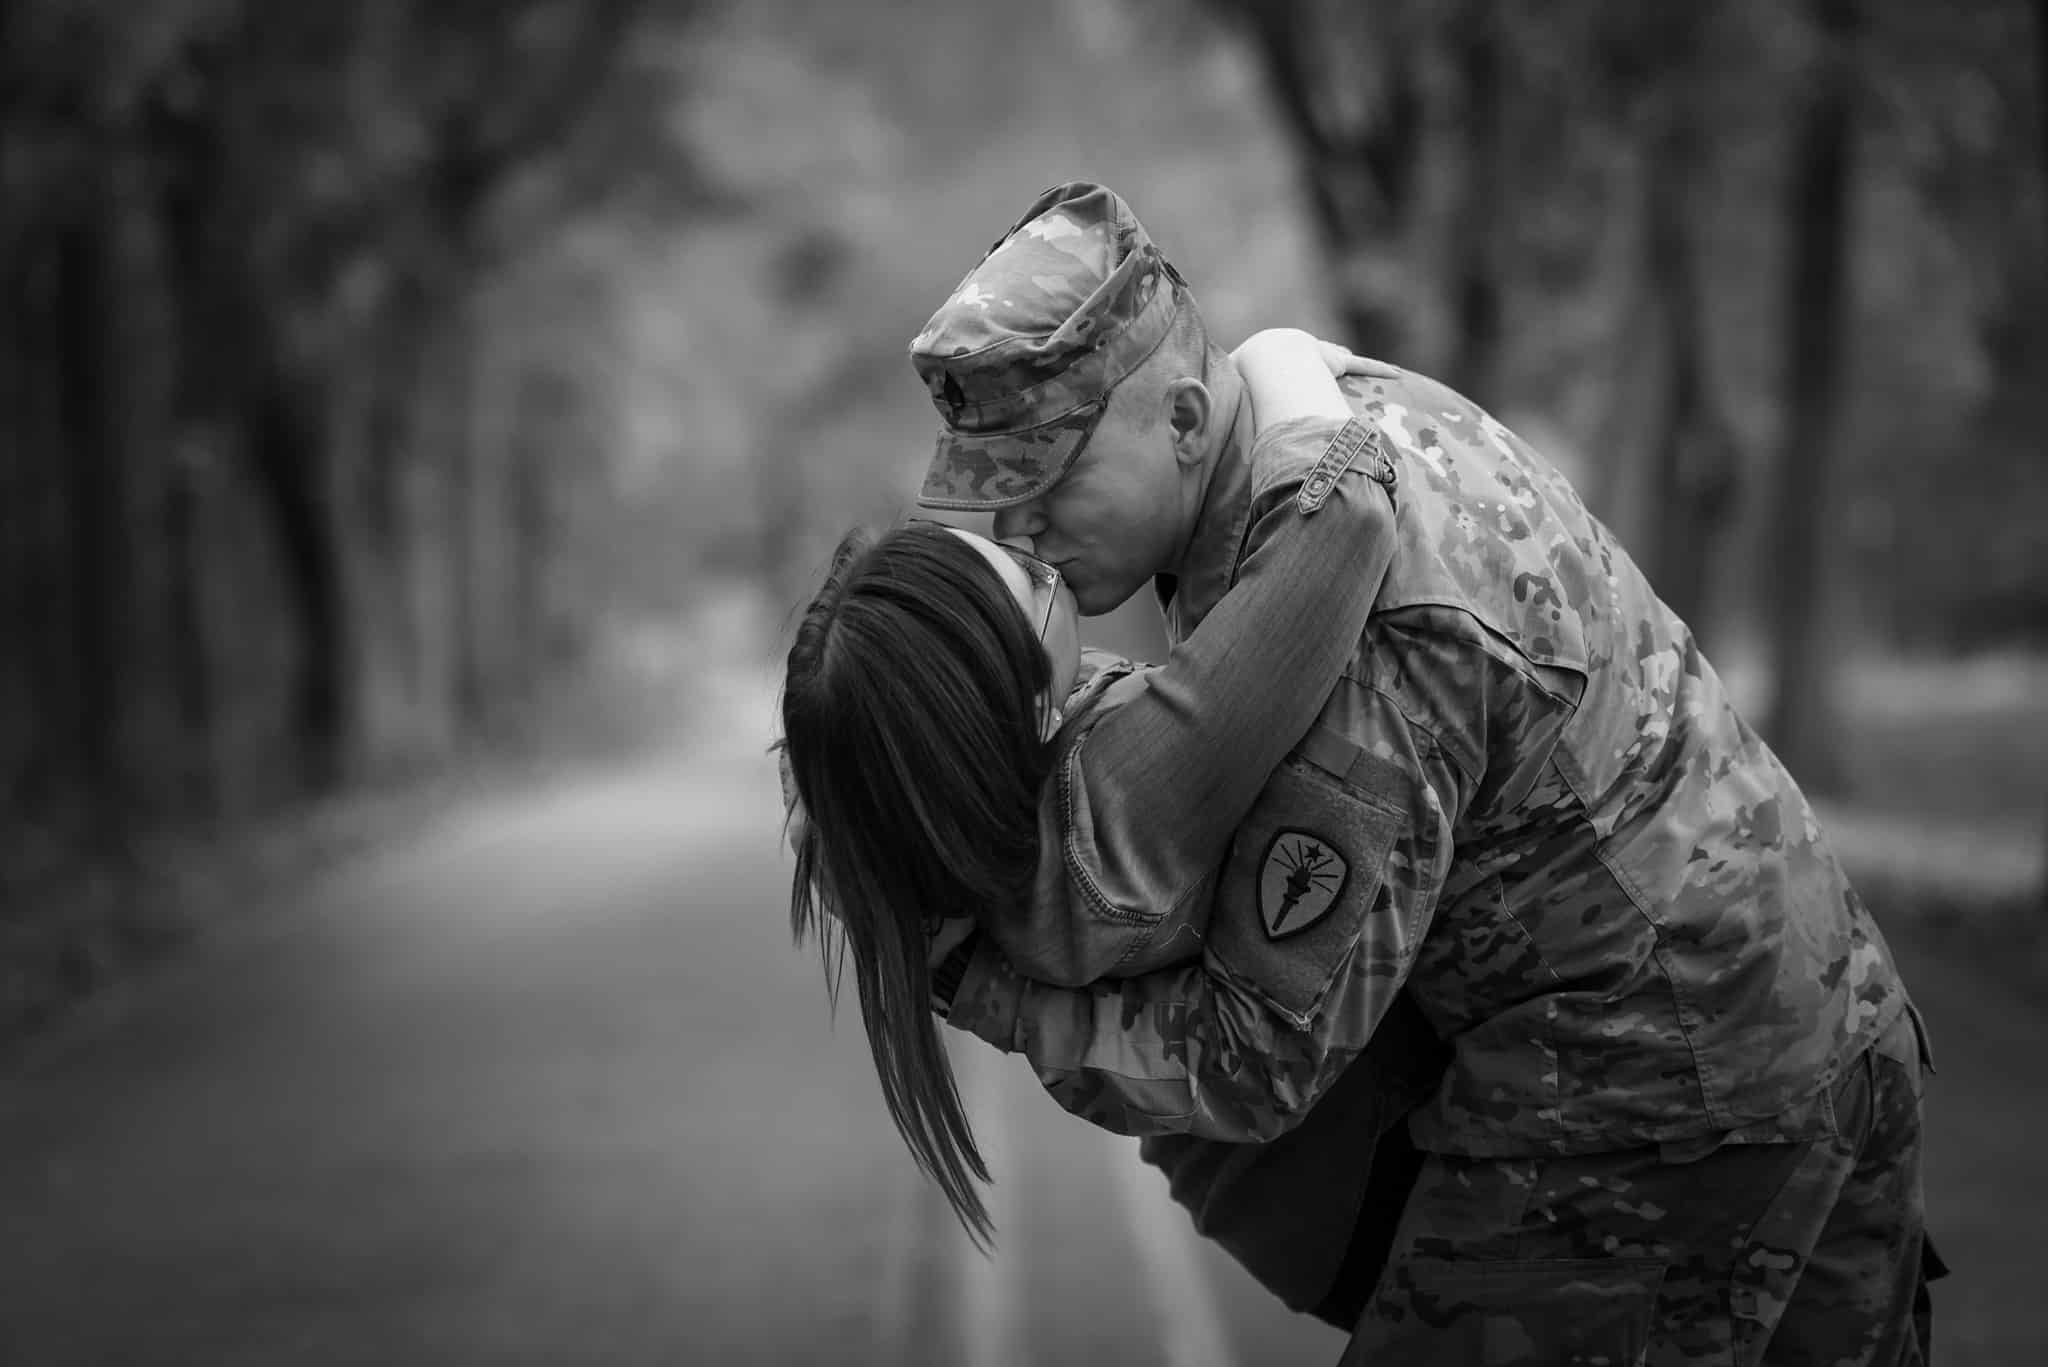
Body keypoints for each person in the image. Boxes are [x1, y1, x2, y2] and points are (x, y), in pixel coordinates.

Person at [900, 182, 1941, 1361]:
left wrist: (974, 978)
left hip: (1661, 1094)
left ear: (1183, 420)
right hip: (1816, 1018)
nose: (1018, 526)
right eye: (994, 491)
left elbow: (1248, 1061)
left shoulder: (1359, 623)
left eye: (1045, 479)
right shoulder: (1326, 423)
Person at [780, 326, 1439, 1258]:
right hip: (1370, 1176)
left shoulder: (919, 825)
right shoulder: (1126, 793)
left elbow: (824, 765)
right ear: (1026, 700)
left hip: (1276, 1188)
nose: (1025, 542)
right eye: (1030, 583)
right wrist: (1278, 352)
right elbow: (1344, 520)